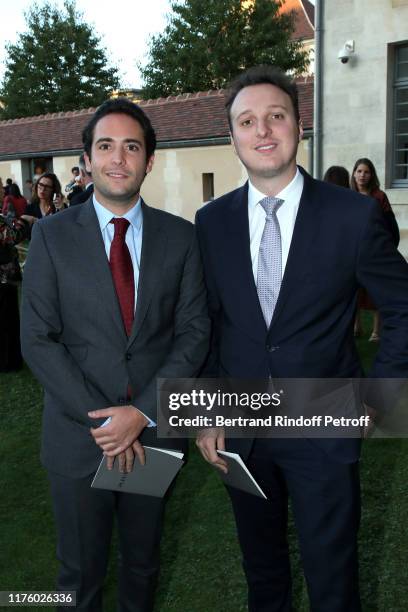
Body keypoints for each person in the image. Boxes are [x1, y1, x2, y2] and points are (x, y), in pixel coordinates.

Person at [195, 65, 408, 612]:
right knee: (263, 577)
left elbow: (403, 307)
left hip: (325, 424)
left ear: (298, 126)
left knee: (332, 579)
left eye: (276, 116)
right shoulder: (211, 222)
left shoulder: (354, 216)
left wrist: (380, 401)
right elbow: (208, 324)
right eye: (248, 121)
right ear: (232, 137)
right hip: (243, 431)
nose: (262, 130)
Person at [21, 97, 209, 612]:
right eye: (106, 146)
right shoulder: (51, 237)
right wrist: (108, 423)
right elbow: (37, 338)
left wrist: (142, 412)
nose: (118, 158)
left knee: (143, 567)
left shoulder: (181, 238)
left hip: (152, 436)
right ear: (86, 160)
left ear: (149, 160)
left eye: (132, 146)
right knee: (79, 575)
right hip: (80, 442)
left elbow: (194, 333)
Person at [351, 157, 399, 341]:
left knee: (375, 291)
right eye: (359, 171)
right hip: (354, 251)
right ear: (354, 173)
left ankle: (376, 331)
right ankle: (356, 326)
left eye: (366, 172)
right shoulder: (348, 195)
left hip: (374, 250)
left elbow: (390, 225)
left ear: (372, 175)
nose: (362, 175)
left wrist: (387, 248)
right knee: (353, 291)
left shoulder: (379, 196)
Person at [0, 213, 35, 371]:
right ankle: (8, 361)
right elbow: (11, 237)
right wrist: (24, 222)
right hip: (3, 278)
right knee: (7, 319)